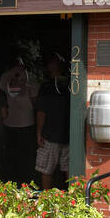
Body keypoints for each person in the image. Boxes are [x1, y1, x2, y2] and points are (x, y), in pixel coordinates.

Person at [0, 51, 39, 185]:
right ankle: (25, 181)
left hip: (10, 121)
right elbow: (34, 100)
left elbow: (1, 96)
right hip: (27, 121)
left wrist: (4, 115)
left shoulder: (5, 76)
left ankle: (10, 180)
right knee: (26, 156)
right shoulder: (30, 77)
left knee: (10, 154)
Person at [34, 52, 70, 189]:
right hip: (56, 135)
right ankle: (48, 200)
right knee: (50, 169)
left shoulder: (69, 84)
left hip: (60, 135)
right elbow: (41, 111)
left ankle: (71, 199)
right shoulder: (69, 84)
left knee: (51, 169)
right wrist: (39, 133)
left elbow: (41, 111)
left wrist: (39, 133)